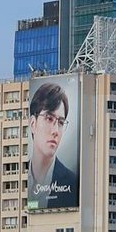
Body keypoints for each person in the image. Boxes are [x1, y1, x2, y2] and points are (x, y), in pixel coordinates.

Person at [27, 82, 79, 210]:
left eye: (60, 122)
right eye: (49, 118)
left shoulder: (73, 183)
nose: (55, 130)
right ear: (33, 124)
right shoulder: (16, 178)